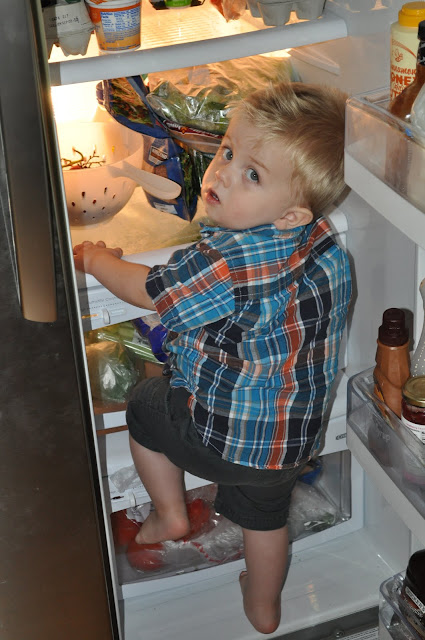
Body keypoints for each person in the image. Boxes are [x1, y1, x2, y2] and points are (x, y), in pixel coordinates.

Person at [74, 81, 352, 635]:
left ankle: (169, 514)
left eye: (253, 174)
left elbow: (147, 289)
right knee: (265, 520)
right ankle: (264, 609)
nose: (222, 174)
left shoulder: (226, 259)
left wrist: (99, 260)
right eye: (227, 151)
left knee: (146, 404)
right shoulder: (323, 241)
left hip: (223, 440)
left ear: (291, 213)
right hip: (290, 440)